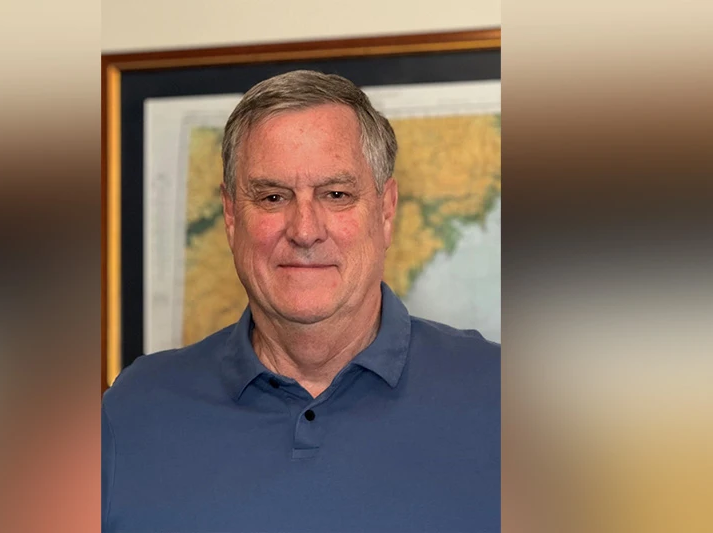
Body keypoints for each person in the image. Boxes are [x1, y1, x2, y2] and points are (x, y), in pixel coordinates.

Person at [102, 70, 499, 532]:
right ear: (231, 216)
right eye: (272, 197)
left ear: (386, 210)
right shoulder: (132, 411)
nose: (305, 230)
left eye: (336, 194)